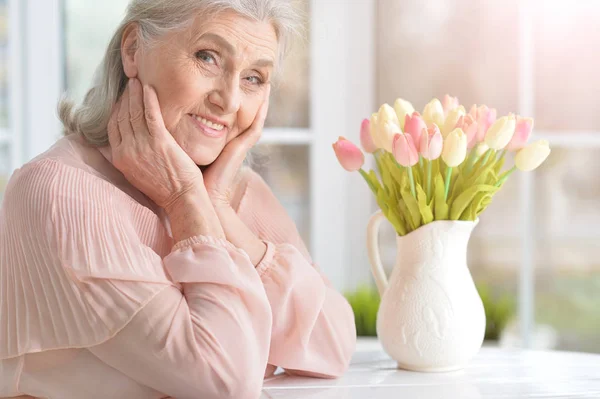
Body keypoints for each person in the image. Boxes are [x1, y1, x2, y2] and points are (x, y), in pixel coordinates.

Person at [0, 1, 356, 398]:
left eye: (254, 78)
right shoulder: (57, 193)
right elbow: (223, 381)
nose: (230, 100)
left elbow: (334, 344)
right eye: (208, 57)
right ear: (133, 50)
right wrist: (186, 202)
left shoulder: (237, 192)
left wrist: (214, 206)